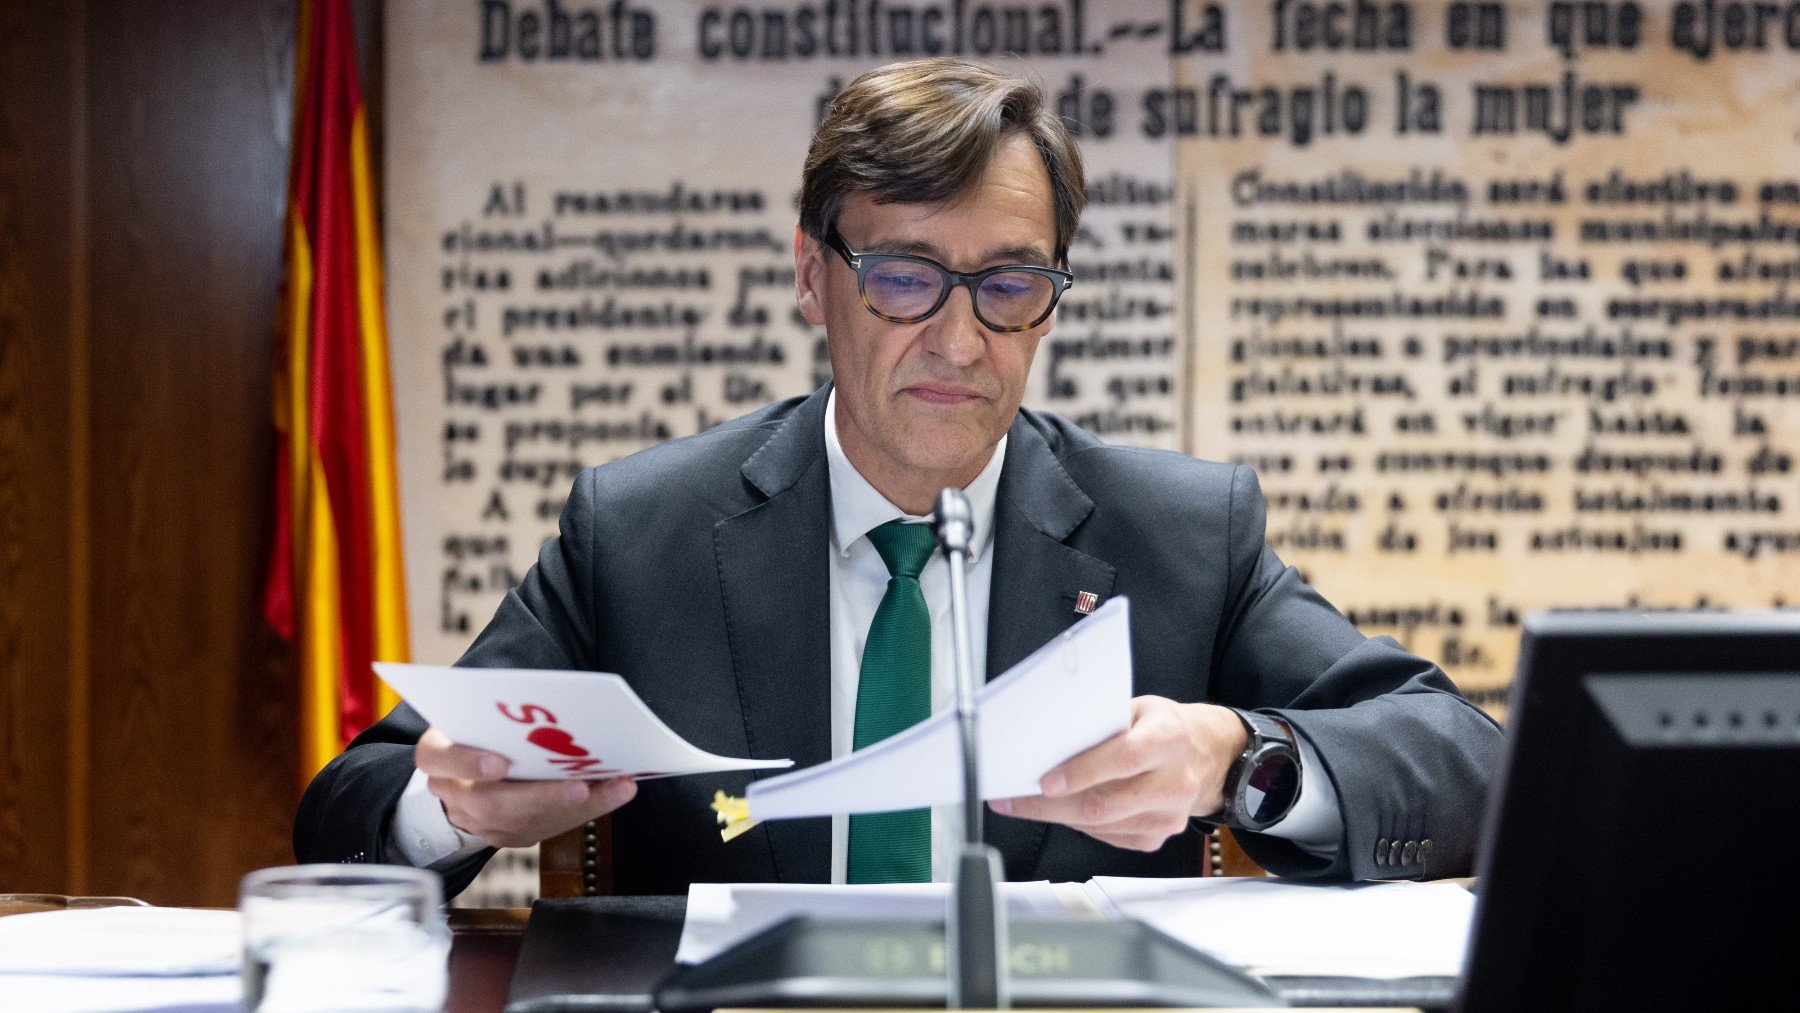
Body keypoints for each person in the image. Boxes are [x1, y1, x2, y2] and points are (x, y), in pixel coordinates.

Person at [294, 58, 1502, 898]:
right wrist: (448, 808)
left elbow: (1465, 757)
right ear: (815, 278)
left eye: (1010, 283)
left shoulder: (1180, 531)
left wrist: (1239, 757)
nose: (961, 339)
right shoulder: (642, 530)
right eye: (907, 275)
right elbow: (351, 801)